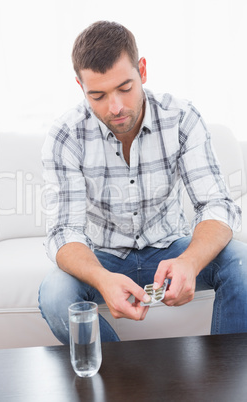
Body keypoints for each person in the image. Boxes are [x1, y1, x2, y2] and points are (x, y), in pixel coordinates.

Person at [39, 20, 247, 343]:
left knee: (242, 265)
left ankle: (224, 379)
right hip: (102, 257)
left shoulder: (181, 118)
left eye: (125, 87)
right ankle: (122, 383)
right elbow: (63, 232)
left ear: (142, 70)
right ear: (81, 88)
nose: (116, 107)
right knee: (54, 295)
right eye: (98, 95)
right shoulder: (66, 136)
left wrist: (189, 262)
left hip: (171, 247)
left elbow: (216, 206)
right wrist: (103, 279)